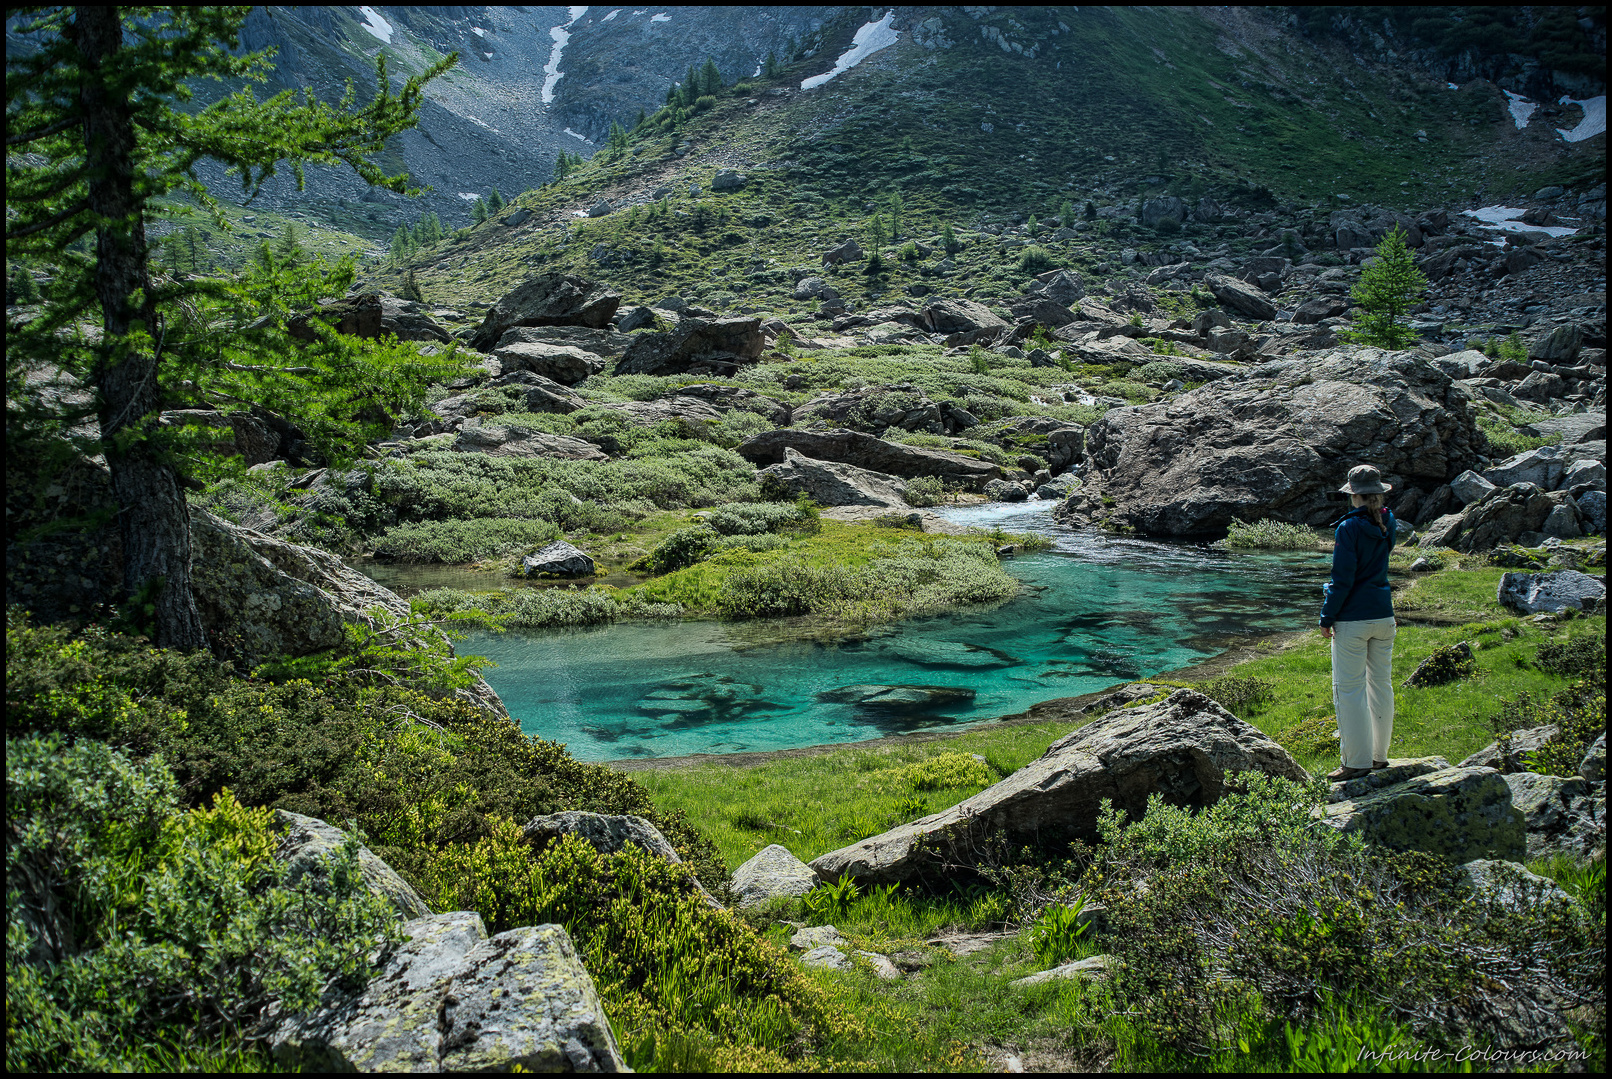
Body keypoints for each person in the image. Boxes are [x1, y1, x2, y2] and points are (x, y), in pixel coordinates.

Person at [1319, 464, 1399, 782]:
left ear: (1354, 495)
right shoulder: (1388, 521)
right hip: (1384, 615)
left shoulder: (1347, 528)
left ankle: (1356, 763)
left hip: (1353, 620)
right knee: (1381, 686)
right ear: (1379, 492)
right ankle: (1379, 758)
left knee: (1349, 691)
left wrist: (1327, 616)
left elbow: (1342, 579)